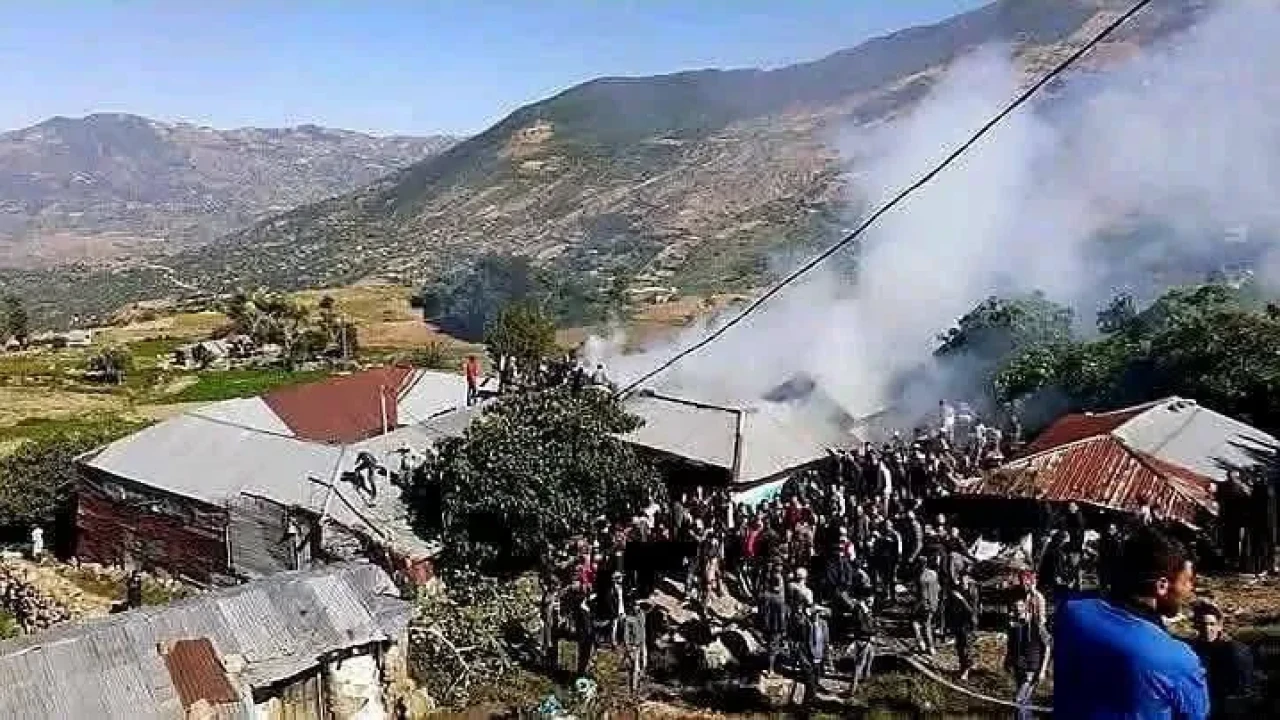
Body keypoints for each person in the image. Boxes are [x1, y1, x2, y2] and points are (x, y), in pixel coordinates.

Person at [1053, 526, 1209, 719]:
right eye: (1187, 581)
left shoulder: (1070, 613)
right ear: (1161, 586)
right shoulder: (1180, 660)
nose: (1190, 589)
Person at [1188, 602, 1255, 719]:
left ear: (1219, 626)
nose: (1207, 628)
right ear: (1196, 625)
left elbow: (1244, 685)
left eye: (1211, 624)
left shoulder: (1234, 651)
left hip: (1227, 708)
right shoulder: (1191, 651)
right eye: (1203, 624)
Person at [1004, 598, 1050, 720]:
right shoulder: (1013, 625)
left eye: (1020, 606)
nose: (1017, 609)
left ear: (1025, 608)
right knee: (1025, 701)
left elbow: (1048, 647)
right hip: (1019, 665)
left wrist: (1043, 670)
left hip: (1032, 667)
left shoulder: (1037, 624)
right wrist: (1007, 660)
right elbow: (1011, 645)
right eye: (1015, 607)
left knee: (1019, 700)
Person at [622, 599, 649, 693]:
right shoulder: (629, 620)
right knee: (635, 668)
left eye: (638, 606)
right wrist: (628, 647)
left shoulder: (642, 615)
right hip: (634, 646)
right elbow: (626, 635)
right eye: (635, 605)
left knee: (644, 664)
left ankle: (640, 683)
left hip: (643, 643)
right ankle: (634, 688)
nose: (637, 607)